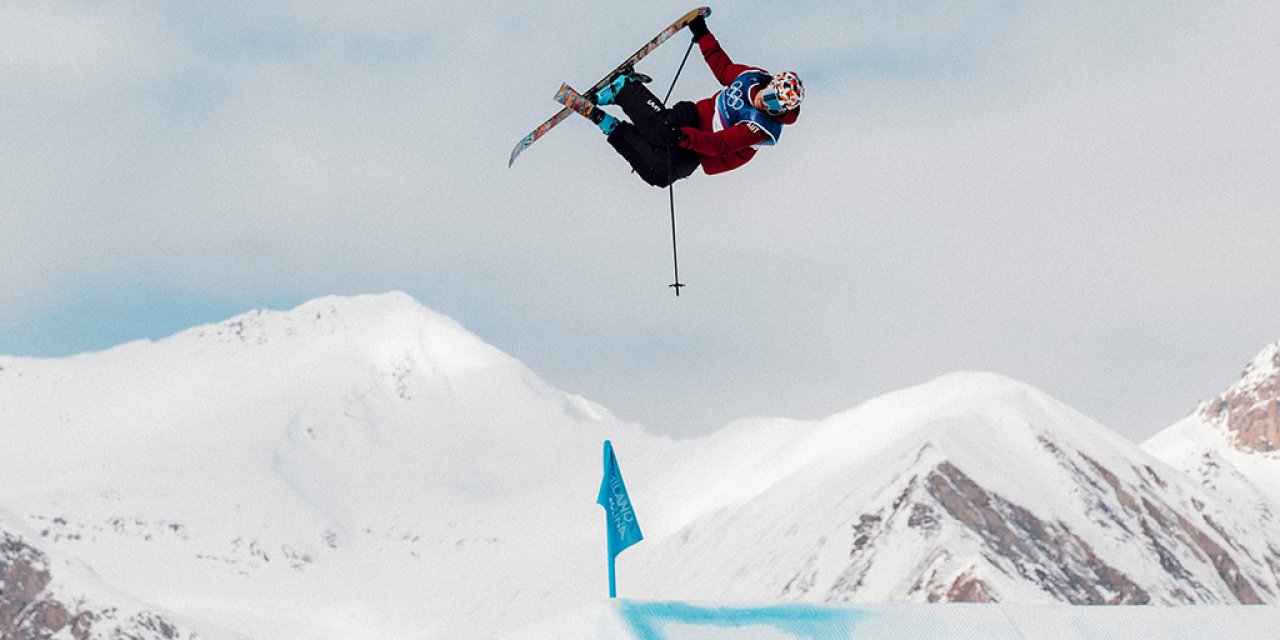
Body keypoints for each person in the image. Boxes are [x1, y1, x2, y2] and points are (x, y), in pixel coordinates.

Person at [583, 15, 804, 188]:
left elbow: (721, 144)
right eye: (769, 97)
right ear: (770, 84)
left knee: (660, 173)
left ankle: (610, 126)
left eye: (775, 107)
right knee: (662, 131)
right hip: (695, 116)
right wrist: (701, 32)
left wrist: (683, 137)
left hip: (703, 147)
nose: (766, 105)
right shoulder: (751, 78)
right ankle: (623, 87)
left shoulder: (761, 128)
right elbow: (723, 67)